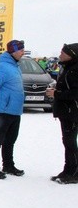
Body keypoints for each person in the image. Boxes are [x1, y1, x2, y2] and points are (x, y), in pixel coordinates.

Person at [0, 39, 26, 179]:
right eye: (21, 50)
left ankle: (8, 165)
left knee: (10, 140)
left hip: (15, 111)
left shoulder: (16, 66)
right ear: (13, 51)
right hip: (3, 111)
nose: (23, 52)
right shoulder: (2, 67)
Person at [46, 43, 78, 184]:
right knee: (67, 141)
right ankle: (68, 169)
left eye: (63, 53)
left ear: (71, 55)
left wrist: (57, 93)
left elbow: (75, 93)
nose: (60, 55)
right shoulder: (67, 67)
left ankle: (75, 173)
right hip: (65, 111)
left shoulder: (75, 69)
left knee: (70, 142)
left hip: (72, 111)